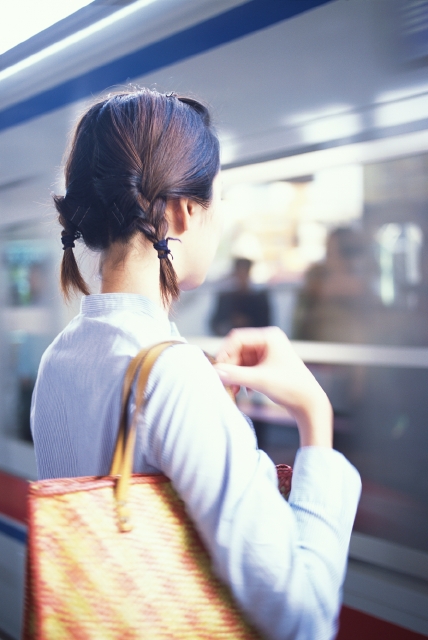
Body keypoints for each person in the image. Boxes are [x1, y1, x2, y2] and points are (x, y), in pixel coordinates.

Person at [30, 89, 361, 640]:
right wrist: (315, 417)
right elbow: (302, 619)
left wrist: (214, 414)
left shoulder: (57, 359)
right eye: (218, 200)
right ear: (184, 210)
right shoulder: (173, 377)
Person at [210, 257, 271, 336]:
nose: (241, 275)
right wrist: (230, 323)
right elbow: (215, 324)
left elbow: (265, 324)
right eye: (239, 271)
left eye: (244, 270)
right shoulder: (226, 297)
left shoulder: (259, 297)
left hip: (252, 340)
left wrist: (247, 323)